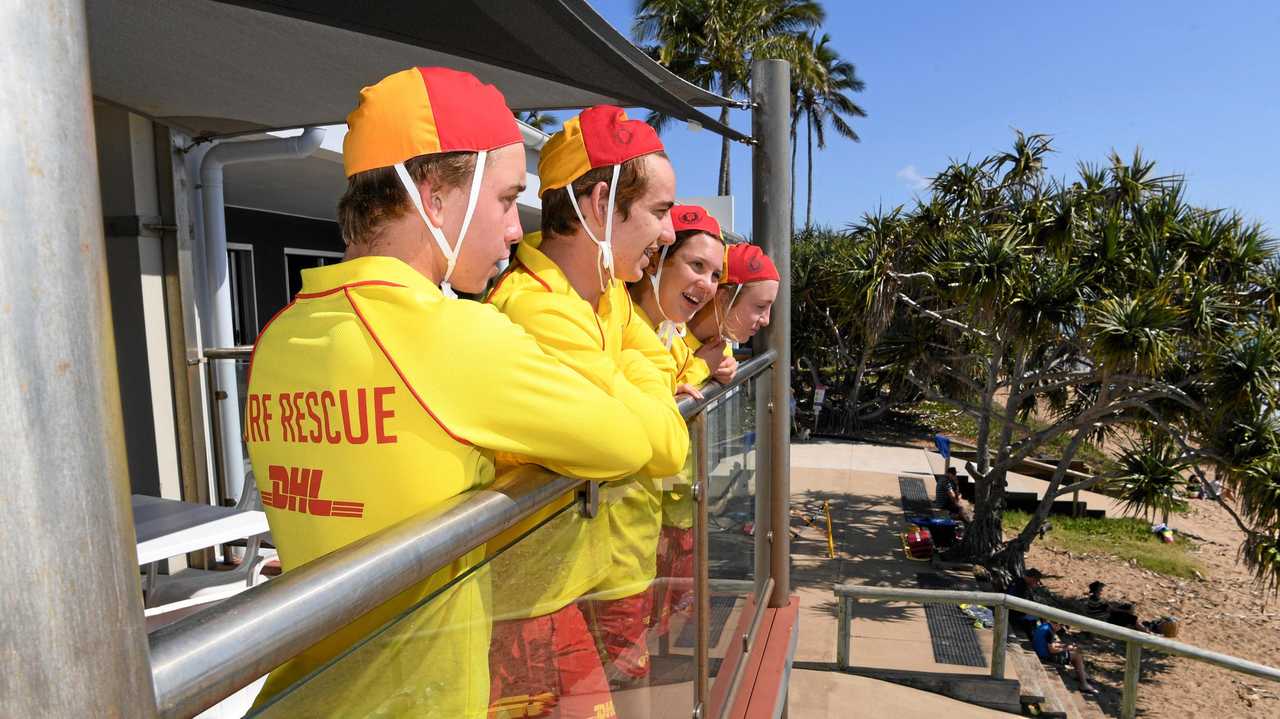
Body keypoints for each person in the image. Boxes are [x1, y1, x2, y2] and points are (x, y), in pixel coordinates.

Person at [244, 68, 654, 718]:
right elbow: (627, 442)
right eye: (503, 198)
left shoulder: (279, 337)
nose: (516, 229)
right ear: (433, 197)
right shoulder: (453, 334)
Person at [485, 105, 688, 718]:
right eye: (658, 210)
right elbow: (658, 445)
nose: (670, 232)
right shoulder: (537, 310)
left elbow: (659, 400)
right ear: (602, 204)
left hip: (568, 589)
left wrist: (624, 373)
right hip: (525, 609)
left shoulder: (600, 296)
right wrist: (636, 374)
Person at [626, 205, 727, 639]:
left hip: (638, 543)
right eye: (697, 265)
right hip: (613, 559)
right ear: (659, 259)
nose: (707, 285)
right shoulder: (629, 330)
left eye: (717, 275)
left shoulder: (666, 333)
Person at [684, 243, 781, 385]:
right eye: (760, 306)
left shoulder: (721, 347)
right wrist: (703, 367)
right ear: (724, 299)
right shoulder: (666, 337)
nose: (766, 320)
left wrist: (727, 367)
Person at [1031, 620, 1098, 695]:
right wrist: (1066, 648)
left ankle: (1083, 675)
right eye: (1061, 626)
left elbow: (1050, 645)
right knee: (1077, 656)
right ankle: (1083, 684)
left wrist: (1064, 646)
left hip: (1040, 651)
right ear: (1057, 624)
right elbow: (1052, 650)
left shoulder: (1045, 626)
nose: (1060, 628)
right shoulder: (1048, 631)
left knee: (1075, 651)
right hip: (1045, 656)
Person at [1006, 568, 1044, 636]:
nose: (1037, 583)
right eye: (1036, 580)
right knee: (1038, 615)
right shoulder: (1020, 585)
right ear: (1031, 578)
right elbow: (1022, 603)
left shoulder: (1021, 582)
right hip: (1015, 615)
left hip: (1017, 612)